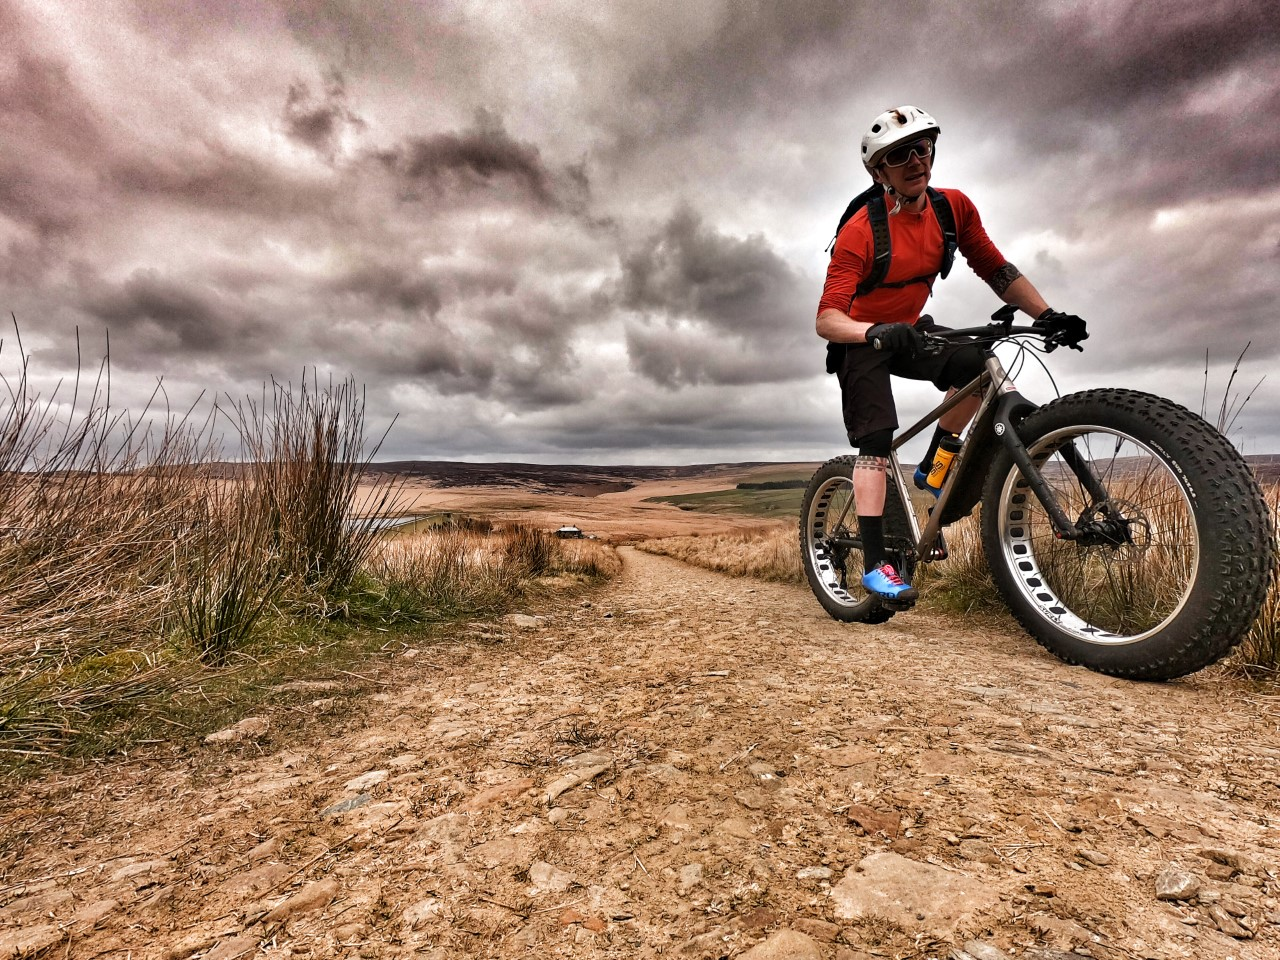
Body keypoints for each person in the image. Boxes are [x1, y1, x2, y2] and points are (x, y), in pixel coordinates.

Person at [816, 105, 1083, 604]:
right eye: (899, 155)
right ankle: (875, 566)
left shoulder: (952, 209)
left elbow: (996, 269)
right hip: (861, 338)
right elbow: (827, 318)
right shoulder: (860, 231)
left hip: (911, 331)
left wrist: (1047, 314)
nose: (916, 160)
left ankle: (934, 466)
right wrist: (873, 330)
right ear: (879, 173)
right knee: (876, 439)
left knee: (978, 364)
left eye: (922, 147)